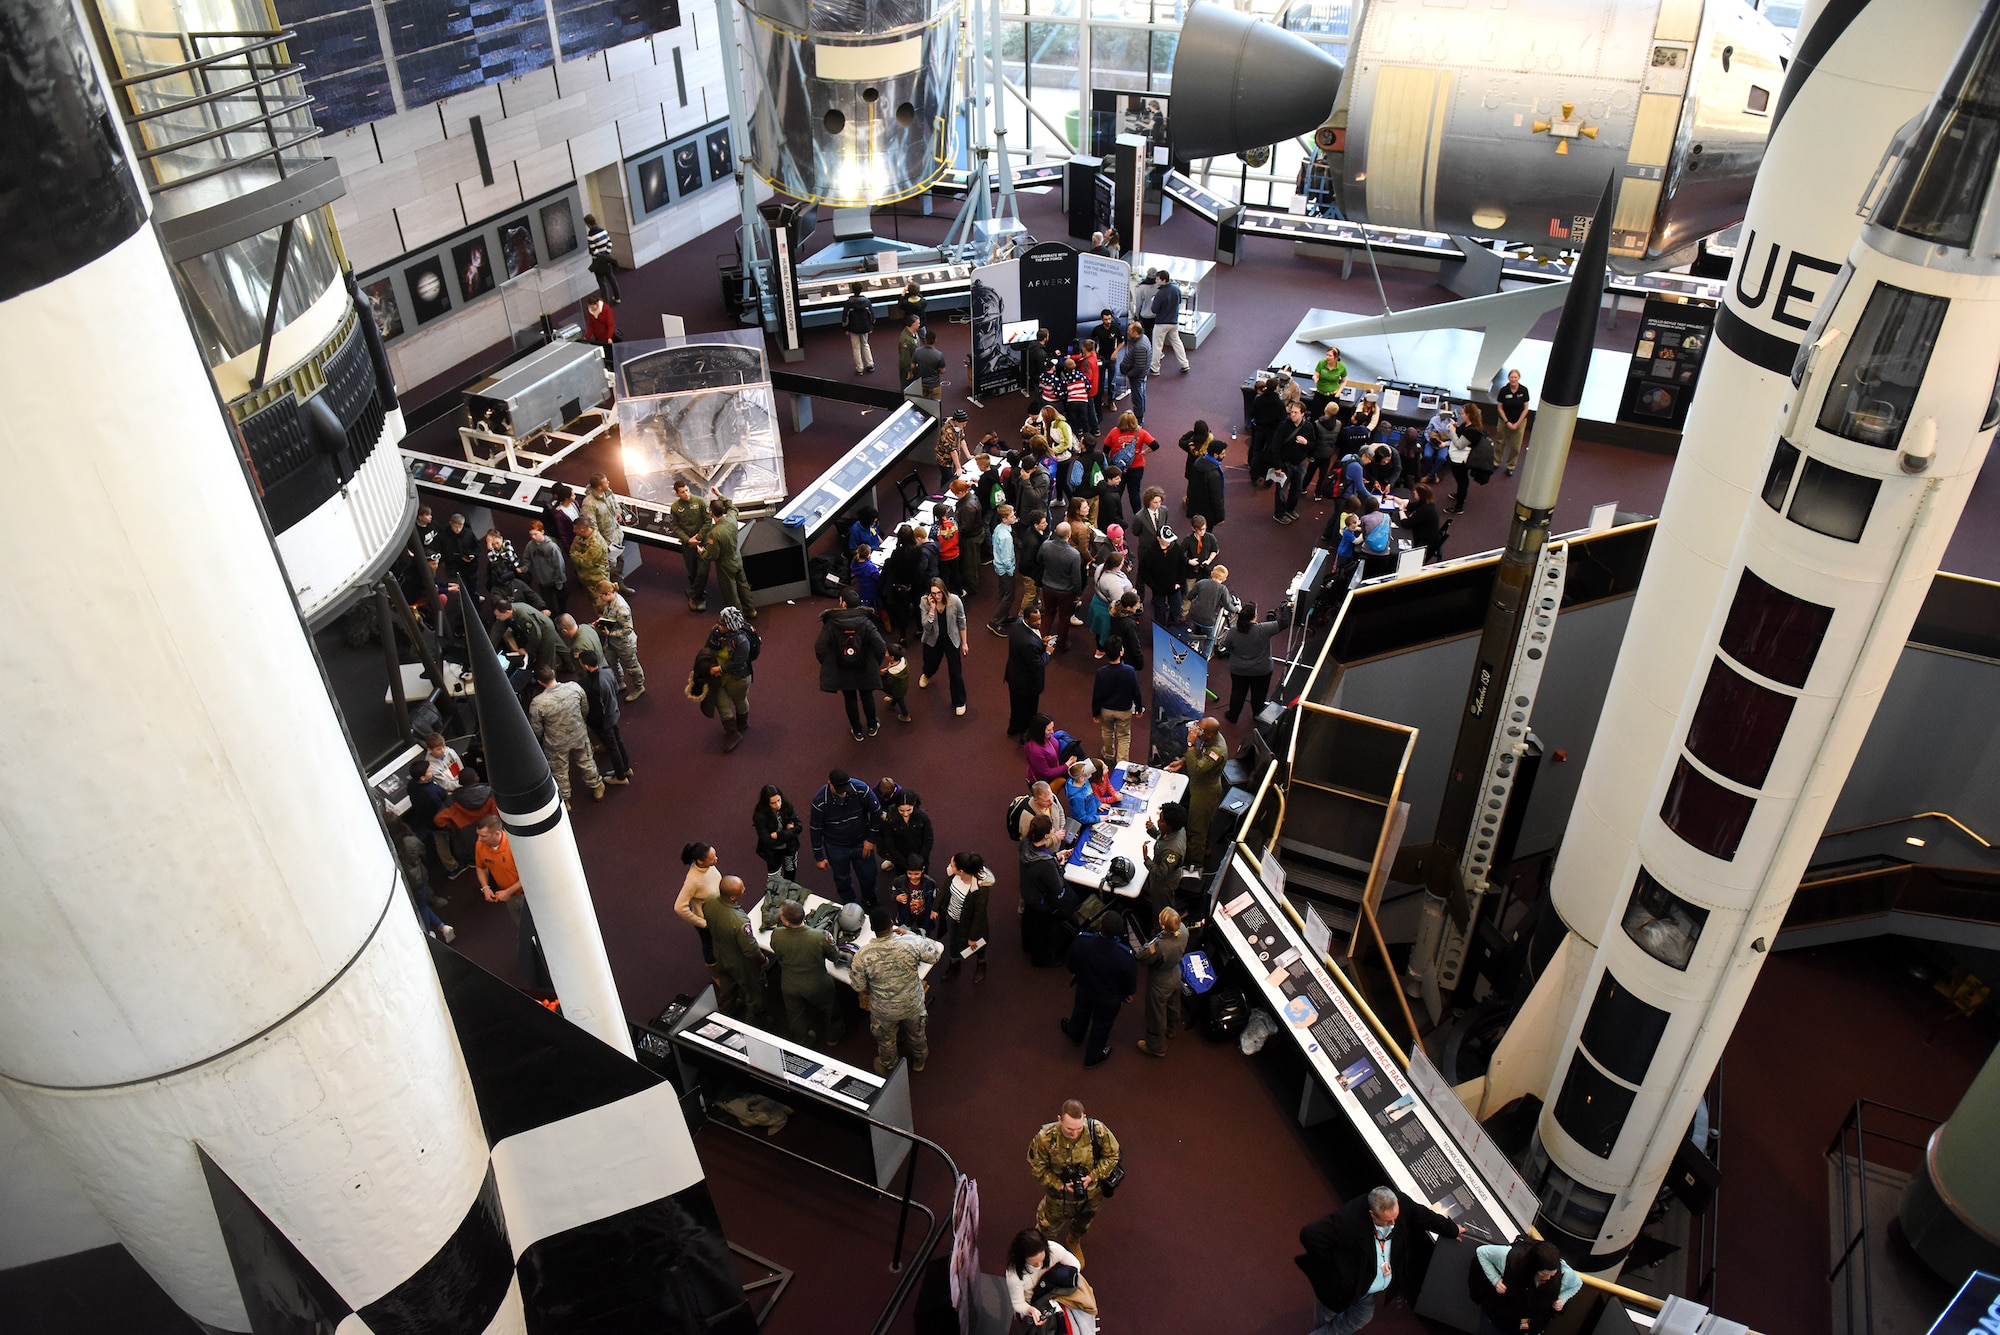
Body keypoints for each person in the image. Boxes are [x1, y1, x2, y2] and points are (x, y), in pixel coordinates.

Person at [1296, 1186, 1463, 1335]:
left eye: (1395, 1218)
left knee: (1360, 1318)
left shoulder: (1401, 1203)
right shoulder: (1348, 1219)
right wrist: (1339, 1268)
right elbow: (1310, 1235)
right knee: (1326, 1319)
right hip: (1339, 1288)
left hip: (1368, 1287)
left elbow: (1426, 1217)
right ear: (1372, 1214)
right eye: (1387, 1221)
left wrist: (1453, 1230)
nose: (1393, 1224)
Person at [848, 906, 945, 1074]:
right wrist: (911, 935)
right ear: (892, 924)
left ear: (872, 929)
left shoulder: (862, 956)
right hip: (912, 1003)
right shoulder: (910, 943)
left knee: (886, 1040)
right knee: (916, 1034)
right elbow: (934, 955)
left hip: (883, 1010)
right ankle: (919, 1061)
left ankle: (889, 1066)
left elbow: (858, 986)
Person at [1027, 1100, 1121, 1257]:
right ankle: (1041, 1252)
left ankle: (1073, 1240)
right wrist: (1060, 1185)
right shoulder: (1045, 1139)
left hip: (1090, 1194)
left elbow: (1112, 1155)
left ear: (1084, 1117)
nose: (1074, 1133)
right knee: (1047, 1226)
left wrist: (1093, 1176)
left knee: (1083, 1222)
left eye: (1078, 1128)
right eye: (1069, 1129)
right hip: (1059, 1197)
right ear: (1060, 1119)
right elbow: (1038, 1169)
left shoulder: (1096, 1130)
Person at [1060, 910, 1137, 1068]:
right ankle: (1093, 1055)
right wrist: (1129, 993)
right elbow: (1129, 979)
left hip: (1085, 986)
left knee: (1080, 1010)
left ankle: (1075, 1033)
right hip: (1109, 997)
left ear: (1101, 925)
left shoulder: (1082, 940)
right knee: (1102, 1024)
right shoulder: (1125, 955)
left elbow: (1072, 963)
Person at [770, 899, 846, 1046]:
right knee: (831, 1009)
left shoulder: (777, 934)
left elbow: (776, 950)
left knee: (795, 1015)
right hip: (817, 984)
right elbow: (834, 957)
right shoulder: (820, 936)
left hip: (789, 983)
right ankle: (833, 1037)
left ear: (786, 922)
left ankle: (803, 1041)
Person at [817, 585, 888, 740]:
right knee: (867, 696)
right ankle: (871, 726)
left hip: (843, 669)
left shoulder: (831, 623)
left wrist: (830, 663)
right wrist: (874, 662)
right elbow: (880, 646)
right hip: (864, 667)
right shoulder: (867, 622)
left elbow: (820, 648)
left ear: (843, 604)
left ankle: (857, 731)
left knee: (850, 699)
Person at [528, 666, 602, 805]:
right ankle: (597, 786)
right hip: (579, 733)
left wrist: (542, 739)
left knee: (560, 771)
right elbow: (585, 708)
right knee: (586, 761)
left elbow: (536, 728)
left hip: (556, 743)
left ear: (539, 682)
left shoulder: (538, 703)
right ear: (553, 673)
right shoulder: (574, 687)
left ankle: (565, 800)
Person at [1473, 1239, 1580, 1335]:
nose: (1548, 1278)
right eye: (1543, 1274)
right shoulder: (1510, 1258)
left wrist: (1562, 1298)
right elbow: (1482, 1251)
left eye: (1552, 1274)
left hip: (1529, 1323)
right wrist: (1495, 1279)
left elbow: (1577, 1284)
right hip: (1500, 1318)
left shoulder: (1565, 1274)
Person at [810, 768, 882, 906]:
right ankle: (849, 903)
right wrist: (819, 856)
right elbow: (815, 829)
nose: (843, 793)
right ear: (829, 783)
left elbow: (876, 811)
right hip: (835, 846)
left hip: (861, 841)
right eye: (839, 789)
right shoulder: (820, 802)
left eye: (845, 788)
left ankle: (870, 898)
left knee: (869, 875)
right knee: (841, 879)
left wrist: (871, 839)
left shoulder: (861, 789)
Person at [704, 874, 770, 1022]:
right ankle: (754, 1024)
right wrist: (763, 960)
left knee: (727, 988)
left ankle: (725, 1018)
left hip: (719, 953)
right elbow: (750, 950)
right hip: (740, 962)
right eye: (741, 889)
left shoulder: (709, 902)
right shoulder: (739, 921)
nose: (744, 890)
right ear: (733, 897)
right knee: (754, 993)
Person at [1165, 718, 1227, 868]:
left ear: (1210, 734)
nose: (1196, 732)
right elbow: (1201, 755)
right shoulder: (1212, 738)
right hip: (1201, 786)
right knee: (1203, 822)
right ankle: (1204, 848)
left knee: (1196, 829)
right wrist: (1183, 761)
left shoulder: (1217, 751)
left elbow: (1195, 771)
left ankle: (1195, 864)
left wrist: (1190, 744)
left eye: (1200, 731)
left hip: (1204, 792)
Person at [1005, 1228, 1095, 1329]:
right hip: (1033, 1303)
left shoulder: (1054, 1249)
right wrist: (1031, 1310)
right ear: (1023, 1258)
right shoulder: (1014, 1273)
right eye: (1034, 1264)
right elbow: (1018, 1303)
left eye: (1042, 1260)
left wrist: (1057, 1288)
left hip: (1058, 1296)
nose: (1039, 1265)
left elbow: (1075, 1266)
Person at [1223, 598, 1293, 724]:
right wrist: (1287, 607)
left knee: (1237, 693)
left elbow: (1227, 646)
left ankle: (1233, 716)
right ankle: (1257, 715)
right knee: (1259, 695)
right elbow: (1284, 623)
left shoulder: (1233, 631)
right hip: (1261, 670)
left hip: (1238, 670)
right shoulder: (1264, 629)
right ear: (1255, 616)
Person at [1135, 906, 1188, 1057]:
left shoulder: (1160, 946)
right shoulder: (1183, 930)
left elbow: (1141, 956)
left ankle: (1156, 1046)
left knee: (1156, 1015)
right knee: (1173, 1005)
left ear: (1163, 926)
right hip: (1175, 974)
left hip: (1159, 982)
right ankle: (1171, 1030)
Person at [702, 607, 755, 751]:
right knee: (721, 704)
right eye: (719, 623)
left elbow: (739, 661)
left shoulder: (742, 640)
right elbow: (707, 649)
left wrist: (719, 669)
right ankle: (732, 733)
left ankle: (742, 724)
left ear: (731, 626)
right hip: (718, 678)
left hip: (738, 678)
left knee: (740, 701)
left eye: (723, 624)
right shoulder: (716, 632)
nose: (719, 626)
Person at [576, 649, 632, 784]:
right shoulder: (607, 671)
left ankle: (620, 777)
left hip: (604, 721)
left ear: (585, 666)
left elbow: (597, 710)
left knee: (612, 747)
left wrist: (590, 722)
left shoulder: (593, 685)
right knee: (618, 741)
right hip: (613, 712)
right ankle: (625, 768)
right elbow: (616, 689)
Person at [917, 577, 969, 714]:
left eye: (939, 593)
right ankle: (927, 674)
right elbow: (926, 627)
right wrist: (932, 610)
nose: (937, 596)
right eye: (933, 593)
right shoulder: (924, 602)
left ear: (944, 591)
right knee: (930, 663)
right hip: (933, 640)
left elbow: (961, 622)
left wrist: (964, 643)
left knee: (955, 672)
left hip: (951, 639)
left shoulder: (955, 601)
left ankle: (959, 701)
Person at [939, 851, 993, 980]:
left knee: (977, 946)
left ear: (961, 871)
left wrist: (973, 937)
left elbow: (978, 915)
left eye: (952, 865)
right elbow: (945, 892)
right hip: (952, 918)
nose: (949, 867)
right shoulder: (954, 876)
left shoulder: (980, 889)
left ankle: (981, 963)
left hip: (969, 923)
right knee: (953, 942)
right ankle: (954, 963)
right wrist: (936, 908)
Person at [591, 579, 646, 701]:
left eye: (601, 596)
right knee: (611, 662)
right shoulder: (610, 602)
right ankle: (620, 683)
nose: (600, 599)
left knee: (631, 667)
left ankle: (639, 687)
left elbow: (628, 629)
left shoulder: (621, 608)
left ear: (608, 594)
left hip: (624, 643)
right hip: (612, 641)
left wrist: (610, 633)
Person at [702, 492, 756, 615]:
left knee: (731, 593)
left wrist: (702, 552)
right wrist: (720, 496)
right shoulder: (731, 520)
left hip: (725, 565)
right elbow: (733, 508)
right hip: (737, 558)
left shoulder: (714, 533)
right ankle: (750, 610)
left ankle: (738, 618)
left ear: (711, 512)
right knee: (743, 586)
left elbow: (713, 555)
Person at [1005, 605, 1053, 740]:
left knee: (1015, 707)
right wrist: (1047, 652)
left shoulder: (1017, 625)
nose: (1038, 622)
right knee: (1029, 711)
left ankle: (1013, 728)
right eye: (1035, 620)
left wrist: (1041, 644)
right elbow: (1038, 664)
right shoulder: (1029, 643)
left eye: (1039, 619)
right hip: (1028, 684)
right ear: (1026, 619)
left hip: (1013, 675)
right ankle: (1025, 736)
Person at [1091, 641, 1142, 764]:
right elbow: (1136, 692)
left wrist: (1095, 713)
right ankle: (1122, 763)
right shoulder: (1129, 671)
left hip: (1106, 710)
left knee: (1107, 732)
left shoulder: (1101, 672)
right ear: (1121, 652)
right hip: (1124, 710)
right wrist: (1139, 708)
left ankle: (1108, 756)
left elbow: (1096, 694)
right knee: (1124, 737)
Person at [1037, 522, 1084, 652]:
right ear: (1069, 535)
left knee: (1048, 614)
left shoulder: (1045, 546)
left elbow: (1039, 560)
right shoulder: (1074, 554)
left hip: (1047, 587)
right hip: (1066, 592)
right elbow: (1076, 578)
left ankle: (1039, 642)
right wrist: (1078, 593)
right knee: (1064, 618)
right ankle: (1061, 645)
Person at [668, 478, 712, 612]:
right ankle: (697, 593)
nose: (686, 494)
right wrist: (688, 540)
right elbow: (675, 526)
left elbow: (708, 521)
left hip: (702, 542)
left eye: (687, 490)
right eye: (682, 492)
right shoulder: (675, 507)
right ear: (677, 494)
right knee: (693, 571)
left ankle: (694, 595)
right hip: (687, 545)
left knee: (703, 571)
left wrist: (697, 537)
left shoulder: (700, 502)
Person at [1141, 801, 1188, 922]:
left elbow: (1161, 873)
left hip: (1163, 884)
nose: (1158, 822)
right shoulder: (1177, 829)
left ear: (1170, 825)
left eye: (1161, 821)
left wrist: (1147, 859)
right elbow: (1162, 837)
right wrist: (1153, 830)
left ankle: (1158, 929)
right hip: (1161, 875)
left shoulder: (1172, 851)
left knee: (1161, 909)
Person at [676, 841, 722, 964]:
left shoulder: (709, 866)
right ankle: (713, 970)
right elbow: (679, 907)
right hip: (706, 920)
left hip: (718, 913)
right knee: (709, 946)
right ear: (700, 861)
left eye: (715, 856)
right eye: (712, 858)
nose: (716, 859)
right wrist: (702, 923)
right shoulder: (693, 880)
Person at [1274, 399, 1317, 524]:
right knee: (1281, 491)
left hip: (1300, 463)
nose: (1292, 415)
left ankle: (1290, 509)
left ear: (1303, 414)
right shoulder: (1283, 426)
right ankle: (1279, 513)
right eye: (1291, 412)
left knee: (1296, 489)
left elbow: (1314, 444)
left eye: (1295, 413)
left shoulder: (1308, 426)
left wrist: (1306, 443)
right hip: (1285, 463)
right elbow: (1275, 446)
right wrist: (1278, 465)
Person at [753, 785, 802, 877]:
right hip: (773, 853)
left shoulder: (787, 807)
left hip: (789, 850)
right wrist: (789, 832)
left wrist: (778, 835)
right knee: (774, 879)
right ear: (766, 803)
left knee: (790, 874)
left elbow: (799, 827)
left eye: (779, 800)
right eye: (773, 803)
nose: (778, 805)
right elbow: (766, 840)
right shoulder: (760, 816)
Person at [523, 519, 567, 616]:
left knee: (562, 602)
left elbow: (559, 565)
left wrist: (559, 582)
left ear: (542, 531)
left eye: (535, 534)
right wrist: (525, 568)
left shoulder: (552, 547)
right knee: (547, 603)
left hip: (556, 580)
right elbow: (527, 559)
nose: (533, 537)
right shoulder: (530, 546)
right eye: (531, 535)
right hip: (543, 581)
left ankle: (564, 617)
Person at [1149, 271, 1190, 374]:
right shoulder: (1176, 289)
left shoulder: (1160, 294)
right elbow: (1180, 301)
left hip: (1161, 323)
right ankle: (1184, 364)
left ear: (1163, 280)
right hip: (1174, 322)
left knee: (1157, 346)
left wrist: (1153, 301)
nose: (1156, 280)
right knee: (1177, 342)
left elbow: (1154, 310)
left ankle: (1155, 368)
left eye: (1157, 279)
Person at [1494, 368, 1532, 476]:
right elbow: (1500, 408)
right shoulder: (1503, 391)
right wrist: (1507, 422)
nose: (1513, 379)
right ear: (1508, 378)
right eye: (1511, 377)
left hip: (1519, 422)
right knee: (1500, 442)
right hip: (1504, 422)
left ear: (1519, 378)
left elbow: (1526, 409)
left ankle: (1510, 466)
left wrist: (1517, 423)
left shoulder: (1524, 390)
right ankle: (1496, 462)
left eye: (1515, 377)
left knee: (1515, 446)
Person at [988, 502, 1019, 632]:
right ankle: (995, 622)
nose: (1014, 518)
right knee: (1009, 596)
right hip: (1006, 570)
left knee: (1003, 593)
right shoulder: (1006, 537)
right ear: (1005, 519)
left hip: (999, 567)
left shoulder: (998, 528)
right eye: (1012, 516)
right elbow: (1007, 558)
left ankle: (1004, 616)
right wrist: (1011, 571)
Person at [1185, 564, 1237, 641]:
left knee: (1193, 633)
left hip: (1194, 615)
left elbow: (1189, 596)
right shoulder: (1222, 589)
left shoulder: (1201, 582)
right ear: (1224, 579)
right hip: (1207, 620)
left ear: (1212, 573)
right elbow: (1228, 606)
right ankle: (1206, 653)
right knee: (1210, 639)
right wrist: (1236, 609)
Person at [1185, 440, 1227, 530]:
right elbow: (1217, 497)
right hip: (1208, 511)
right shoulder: (1214, 474)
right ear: (1215, 455)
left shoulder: (1199, 462)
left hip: (1196, 506)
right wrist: (1220, 517)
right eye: (1223, 453)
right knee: (1206, 533)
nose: (1225, 455)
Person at [570, 517, 612, 603]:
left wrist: (576, 554)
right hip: (587, 576)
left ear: (582, 530)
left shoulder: (596, 544)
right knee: (592, 598)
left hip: (597, 577)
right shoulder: (579, 537)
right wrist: (579, 555)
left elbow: (585, 562)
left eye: (575, 529)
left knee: (601, 601)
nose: (573, 531)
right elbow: (572, 551)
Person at [1118, 322, 1153, 425]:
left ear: (1135, 332)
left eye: (1130, 331)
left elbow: (1139, 367)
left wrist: (1129, 374)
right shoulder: (1143, 339)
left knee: (1138, 398)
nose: (1128, 332)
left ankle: (1138, 420)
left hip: (1137, 377)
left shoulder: (1140, 346)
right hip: (1139, 376)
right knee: (1140, 396)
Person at [1404, 482, 1448, 563]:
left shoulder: (1424, 510)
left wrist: (1401, 512)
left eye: (1416, 493)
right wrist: (1393, 499)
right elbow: (1409, 506)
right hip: (1429, 534)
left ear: (1421, 496)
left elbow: (1407, 524)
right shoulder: (1426, 504)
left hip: (1425, 541)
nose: (1414, 493)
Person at [1022, 713, 1069, 787]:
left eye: (1052, 728)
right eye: (1049, 730)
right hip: (1041, 784)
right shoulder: (1034, 750)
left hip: (1054, 772)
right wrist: (1067, 765)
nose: (1052, 732)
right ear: (1040, 731)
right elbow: (1046, 773)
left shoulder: (1045, 737)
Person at [555, 612, 605, 679]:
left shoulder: (578, 646)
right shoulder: (586, 627)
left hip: (596, 677)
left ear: (564, 631)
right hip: (603, 666)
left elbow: (583, 670)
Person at [841, 282, 877, 375]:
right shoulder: (867, 301)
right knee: (865, 344)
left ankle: (859, 368)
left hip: (853, 328)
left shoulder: (849, 303)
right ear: (861, 290)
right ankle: (870, 364)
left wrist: (845, 328)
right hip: (865, 327)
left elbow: (845, 317)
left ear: (852, 290)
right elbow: (872, 315)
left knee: (856, 348)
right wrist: (871, 325)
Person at [584, 212, 619, 302]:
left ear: (588, 224)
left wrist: (600, 257)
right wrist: (606, 255)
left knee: (602, 282)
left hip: (598, 262)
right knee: (611, 278)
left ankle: (606, 303)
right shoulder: (604, 231)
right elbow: (609, 243)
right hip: (607, 259)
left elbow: (593, 250)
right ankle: (617, 297)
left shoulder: (590, 236)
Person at [912, 329, 946, 400]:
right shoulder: (939, 355)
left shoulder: (917, 351)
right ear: (935, 340)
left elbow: (913, 366)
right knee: (935, 406)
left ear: (925, 339)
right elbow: (942, 371)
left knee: (923, 405)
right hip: (934, 385)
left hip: (922, 384)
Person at [582, 294, 616, 363]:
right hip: (598, 338)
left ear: (597, 303)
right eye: (590, 307)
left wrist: (609, 337)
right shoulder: (591, 312)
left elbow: (610, 325)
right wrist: (586, 337)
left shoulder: (606, 310)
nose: (592, 309)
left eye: (593, 307)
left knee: (610, 355)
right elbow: (591, 326)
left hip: (607, 338)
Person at [1314, 346, 1348, 415]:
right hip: (1320, 394)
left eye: (1330, 356)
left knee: (1330, 416)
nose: (1327, 357)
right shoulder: (1321, 363)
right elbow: (1316, 374)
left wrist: (1338, 393)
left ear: (1336, 357)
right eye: (1327, 355)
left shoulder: (1342, 367)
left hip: (1333, 396)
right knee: (1315, 415)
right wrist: (1315, 378)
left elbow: (1344, 381)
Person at [897, 310, 922, 389]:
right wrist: (909, 371)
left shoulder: (914, 333)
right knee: (907, 388)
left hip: (915, 365)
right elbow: (905, 358)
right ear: (912, 324)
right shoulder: (906, 340)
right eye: (917, 323)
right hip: (908, 369)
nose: (919, 325)